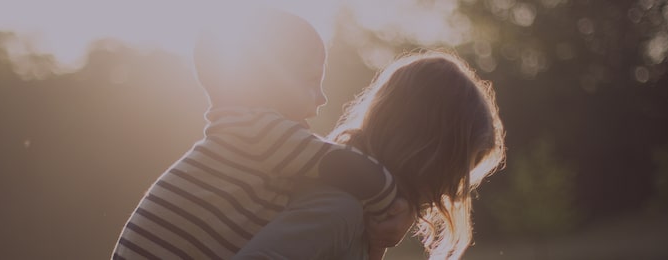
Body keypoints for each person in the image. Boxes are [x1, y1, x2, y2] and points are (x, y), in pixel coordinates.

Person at [111, 8, 403, 260]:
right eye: (312, 80)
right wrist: (395, 204)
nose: (322, 97)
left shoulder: (240, 135)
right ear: (269, 81)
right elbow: (348, 167)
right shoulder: (259, 131)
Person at [237, 51, 506, 260]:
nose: (454, 191)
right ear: (426, 153)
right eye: (457, 173)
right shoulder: (340, 209)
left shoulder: (366, 213)